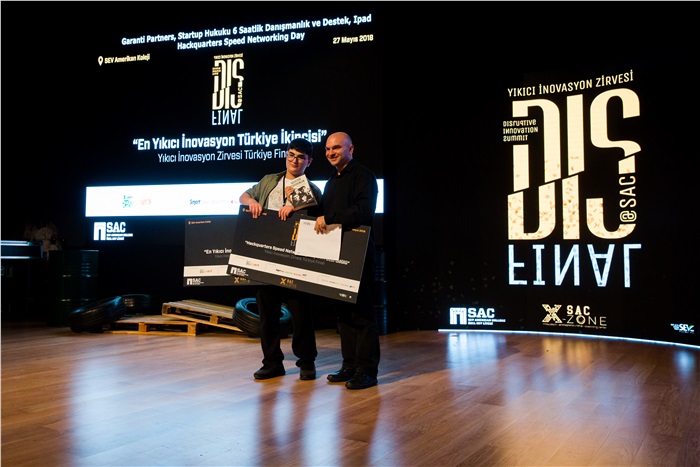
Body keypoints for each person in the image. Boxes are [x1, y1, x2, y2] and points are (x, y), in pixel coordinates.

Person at [239, 138, 323, 381]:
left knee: (300, 312)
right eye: (291, 155)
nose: (294, 160)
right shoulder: (270, 180)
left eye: (300, 157)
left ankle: (307, 362)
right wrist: (252, 202)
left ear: (309, 162)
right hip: (266, 256)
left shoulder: (312, 189)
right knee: (268, 313)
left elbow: (317, 214)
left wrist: (294, 205)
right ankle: (272, 362)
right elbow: (244, 195)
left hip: (296, 258)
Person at [314, 131, 380, 390]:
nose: (331, 153)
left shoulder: (364, 176)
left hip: (358, 255)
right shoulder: (331, 181)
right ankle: (349, 365)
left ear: (351, 149)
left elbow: (364, 212)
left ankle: (367, 371)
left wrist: (331, 218)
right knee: (343, 315)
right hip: (335, 254)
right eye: (328, 149)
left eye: (337, 148)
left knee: (362, 314)